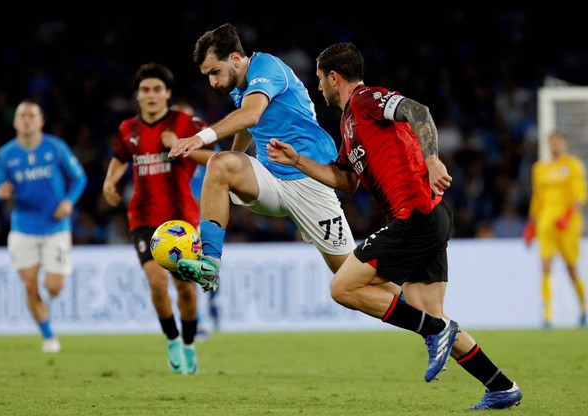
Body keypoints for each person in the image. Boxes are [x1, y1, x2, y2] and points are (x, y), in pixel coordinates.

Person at [267, 42, 522, 411]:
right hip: (427, 218)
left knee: (343, 287)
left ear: (334, 77)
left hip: (414, 215)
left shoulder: (366, 99)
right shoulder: (348, 123)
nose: (318, 87)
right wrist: (297, 161)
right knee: (429, 313)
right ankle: (501, 386)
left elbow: (417, 111)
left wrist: (432, 160)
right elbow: (345, 180)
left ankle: (436, 333)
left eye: (320, 79)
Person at [168, 23, 362, 293]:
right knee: (220, 163)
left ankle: (425, 318)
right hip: (272, 177)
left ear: (235, 58)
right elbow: (248, 125)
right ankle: (210, 263)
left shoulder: (267, 67)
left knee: (351, 279)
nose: (212, 82)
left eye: (215, 72)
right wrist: (227, 171)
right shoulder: (240, 85)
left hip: (309, 179)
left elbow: (251, 115)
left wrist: (200, 138)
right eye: (207, 76)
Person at [102, 63, 215, 375]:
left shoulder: (186, 123)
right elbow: (120, 158)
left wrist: (180, 146)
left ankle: (190, 345)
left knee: (185, 290)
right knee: (155, 282)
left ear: (167, 93)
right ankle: (172, 340)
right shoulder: (128, 129)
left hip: (182, 222)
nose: (150, 95)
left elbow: (214, 158)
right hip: (143, 218)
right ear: (137, 95)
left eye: (156, 89)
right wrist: (109, 183)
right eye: (145, 90)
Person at [0, 99, 87, 353]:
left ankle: (46, 305)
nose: (27, 119)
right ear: (15, 121)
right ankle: (48, 335)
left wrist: (68, 201)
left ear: (41, 121)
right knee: (30, 285)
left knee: (54, 286)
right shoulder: (6, 155)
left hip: (56, 226)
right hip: (23, 228)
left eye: (32, 115)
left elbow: (79, 178)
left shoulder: (55, 147)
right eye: (22, 115)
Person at [523, 131, 587, 328]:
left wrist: (568, 216)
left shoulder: (573, 165)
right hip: (546, 223)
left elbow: (580, 195)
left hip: (568, 224)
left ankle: (583, 309)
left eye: (557, 141)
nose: (554, 145)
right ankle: (548, 315)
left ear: (564, 144)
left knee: (571, 269)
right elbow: (538, 198)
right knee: (545, 267)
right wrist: (531, 224)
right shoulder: (540, 168)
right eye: (551, 142)